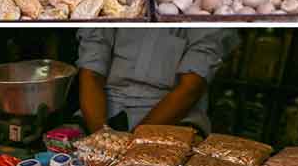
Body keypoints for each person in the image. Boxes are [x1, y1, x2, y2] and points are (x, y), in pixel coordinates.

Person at [76, 28, 232, 133]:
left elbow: (191, 87)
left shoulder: (207, 22)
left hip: (174, 118)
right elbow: (91, 71)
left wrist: (133, 144)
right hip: (105, 108)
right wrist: (102, 138)